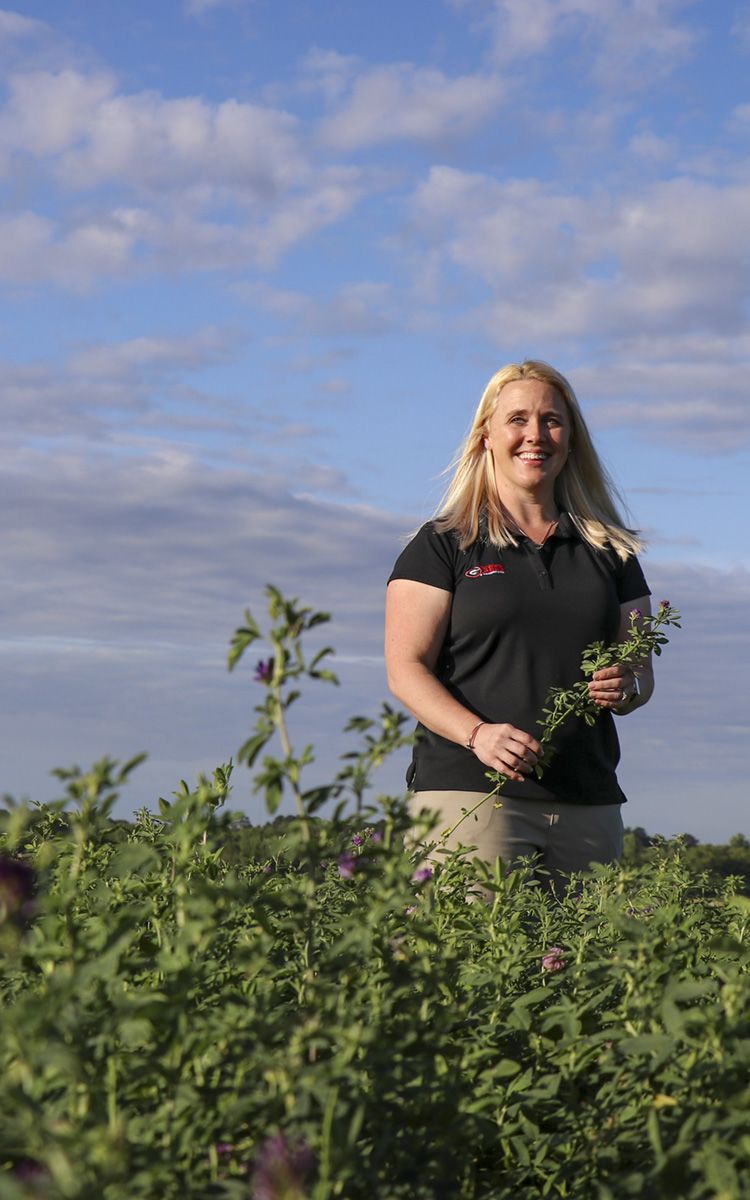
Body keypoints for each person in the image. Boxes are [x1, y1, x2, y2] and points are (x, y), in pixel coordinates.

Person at [385, 360, 652, 891]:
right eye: (517, 419)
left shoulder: (612, 551)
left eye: (552, 420)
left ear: (571, 437)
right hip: (471, 797)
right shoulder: (443, 544)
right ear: (486, 436)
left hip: (587, 803)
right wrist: (477, 735)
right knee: (464, 970)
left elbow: (640, 673)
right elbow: (405, 668)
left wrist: (628, 686)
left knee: (585, 972)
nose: (535, 435)